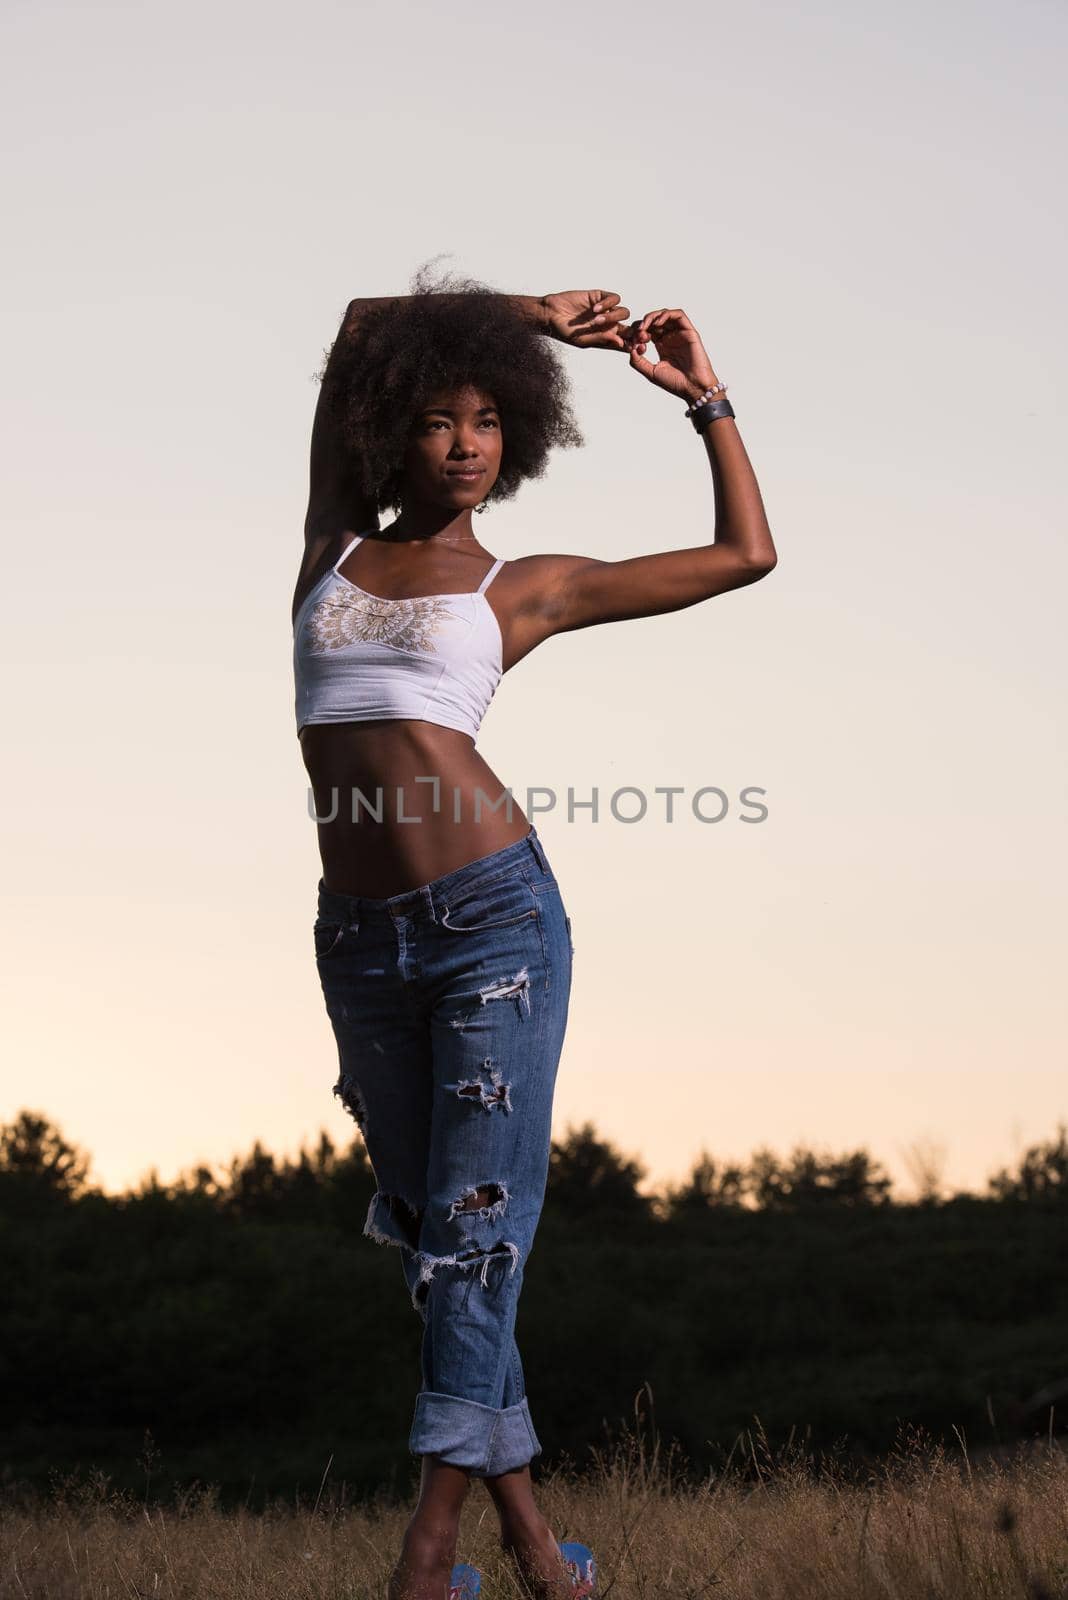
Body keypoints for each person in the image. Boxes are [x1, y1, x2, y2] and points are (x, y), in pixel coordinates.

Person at [291, 264, 777, 1600]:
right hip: (361, 936)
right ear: (398, 428)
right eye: (443, 417)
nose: (464, 441)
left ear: (517, 439)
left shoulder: (526, 586)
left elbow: (746, 556)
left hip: (495, 921)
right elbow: (353, 329)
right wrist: (529, 313)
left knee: (476, 1232)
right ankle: (537, 1552)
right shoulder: (332, 542)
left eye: (488, 421)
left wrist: (705, 397)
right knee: (432, 1231)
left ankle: (432, 1550)